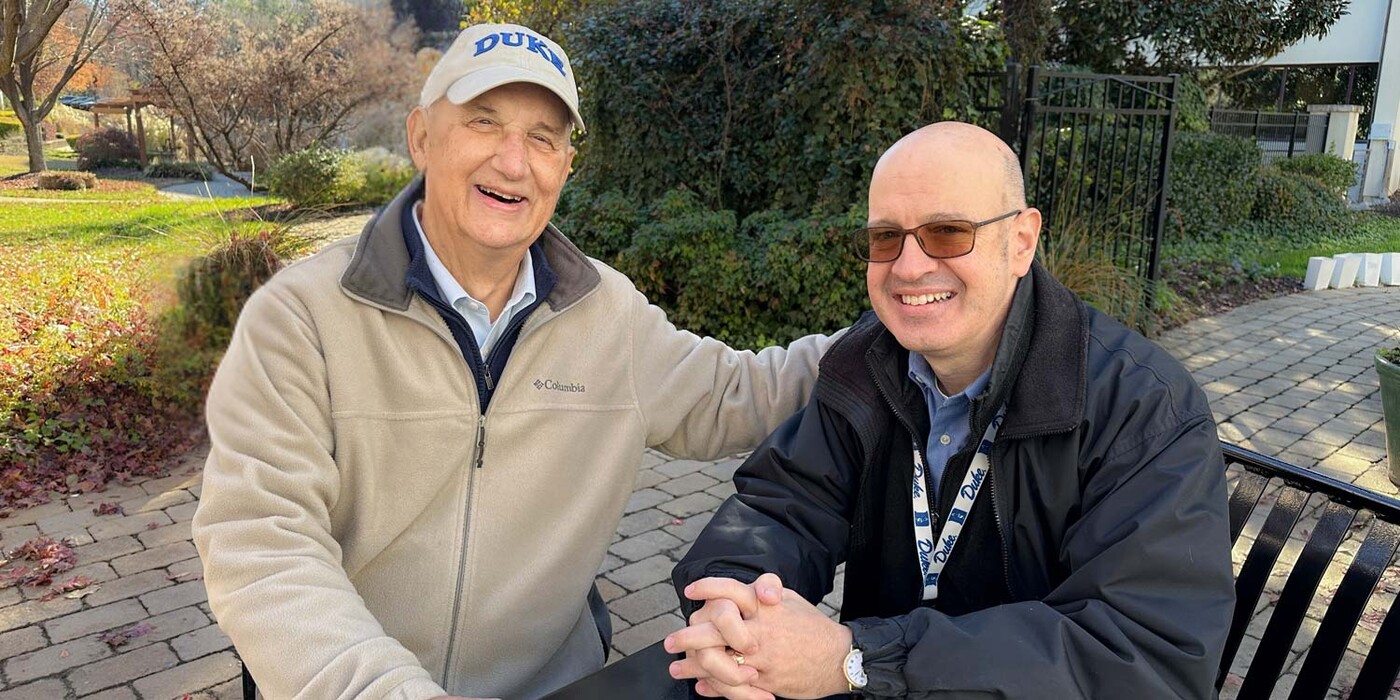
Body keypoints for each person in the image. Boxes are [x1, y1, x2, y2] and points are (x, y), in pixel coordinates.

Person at [192, 23, 835, 700]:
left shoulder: (608, 313)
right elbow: (262, 541)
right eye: (484, 122)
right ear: (421, 137)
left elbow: (740, 394)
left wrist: (891, 326)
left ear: (565, 166)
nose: (512, 160)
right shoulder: (302, 315)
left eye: (542, 138)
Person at [666, 122, 1236, 699]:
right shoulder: (868, 360)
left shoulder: (1144, 410)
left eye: (947, 232)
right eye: (886, 237)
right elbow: (784, 504)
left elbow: (1144, 661)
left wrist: (858, 660)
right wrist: (732, 600)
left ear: (1021, 242)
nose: (908, 267)